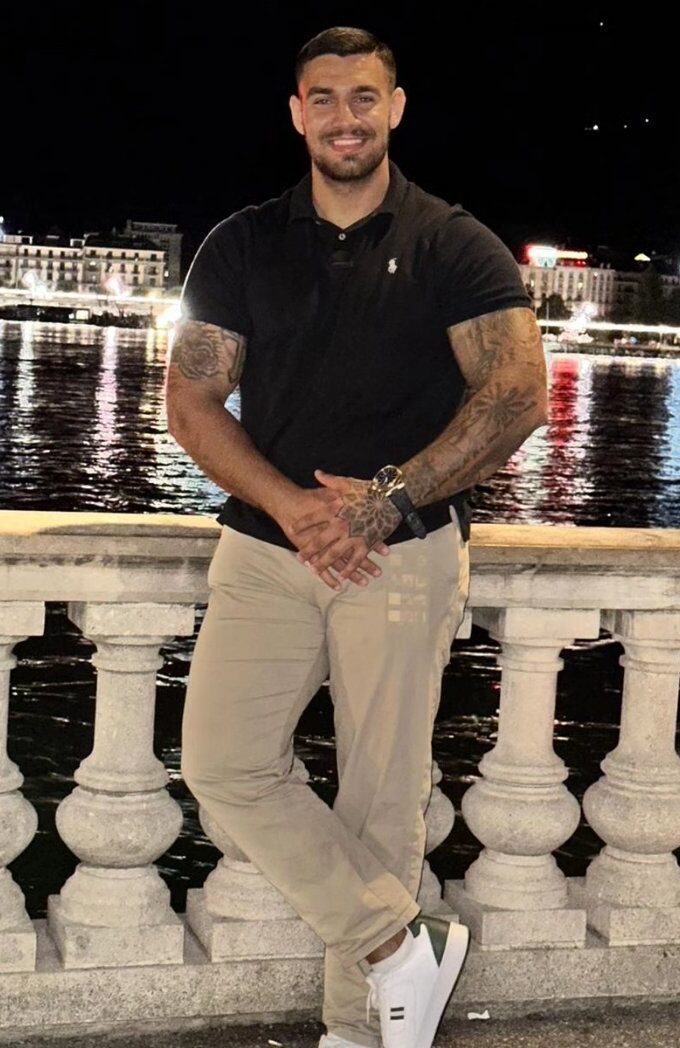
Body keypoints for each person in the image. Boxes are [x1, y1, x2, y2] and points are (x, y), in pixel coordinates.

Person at [167, 25, 548, 1048]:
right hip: (265, 549)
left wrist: (383, 502)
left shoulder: (450, 243)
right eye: (325, 99)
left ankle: (358, 1030)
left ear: (395, 108)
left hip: (400, 553)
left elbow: (517, 394)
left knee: (380, 798)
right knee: (222, 762)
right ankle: (396, 942)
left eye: (364, 97)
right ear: (297, 113)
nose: (346, 118)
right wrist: (294, 507)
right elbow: (192, 400)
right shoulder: (242, 242)